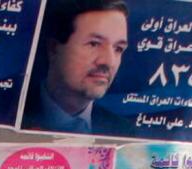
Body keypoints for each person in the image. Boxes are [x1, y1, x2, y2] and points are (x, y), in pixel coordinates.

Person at [19, 0, 136, 138]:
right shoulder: (8, 113)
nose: (109, 62)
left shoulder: (123, 131)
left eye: (118, 49)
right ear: (54, 48)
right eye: (94, 44)